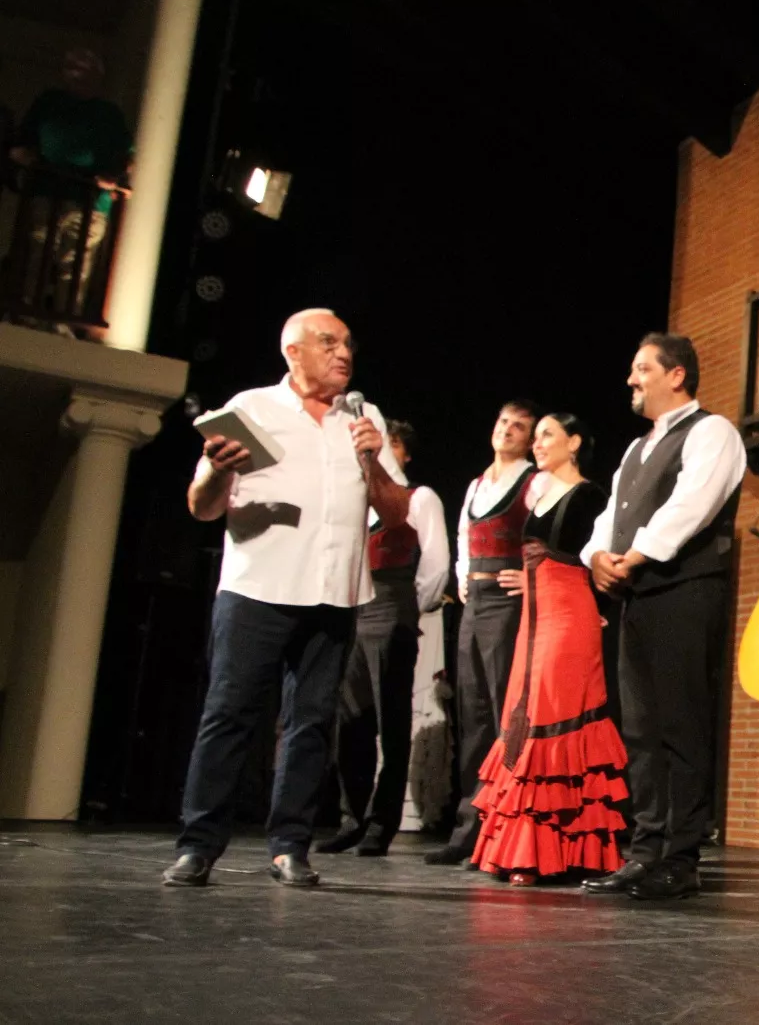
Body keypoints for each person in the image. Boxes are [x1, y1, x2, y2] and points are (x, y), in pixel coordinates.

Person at [164, 309, 408, 888]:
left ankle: (290, 846)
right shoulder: (251, 409)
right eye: (329, 343)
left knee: (311, 723)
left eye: (348, 344)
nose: (343, 354)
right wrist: (218, 475)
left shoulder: (363, 416)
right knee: (229, 716)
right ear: (293, 352)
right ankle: (198, 844)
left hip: (334, 591)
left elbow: (396, 514)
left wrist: (372, 460)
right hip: (259, 587)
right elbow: (201, 506)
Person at [579, 332, 745, 901]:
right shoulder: (635, 449)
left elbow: (693, 503)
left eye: (641, 368)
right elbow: (609, 518)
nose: (632, 379)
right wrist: (596, 556)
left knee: (682, 726)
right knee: (641, 731)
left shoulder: (712, 432)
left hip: (684, 591)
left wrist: (637, 553)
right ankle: (644, 850)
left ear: (676, 375)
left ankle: (681, 856)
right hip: (637, 595)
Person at [470, 413, 628, 884]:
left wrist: (596, 603)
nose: (537, 443)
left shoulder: (591, 495)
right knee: (523, 709)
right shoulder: (541, 495)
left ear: (574, 442)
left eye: (547, 435)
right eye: (535, 435)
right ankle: (522, 846)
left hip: (569, 616)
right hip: (533, 620)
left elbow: (594, 557)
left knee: (554, 712)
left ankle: (562, 847)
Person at [317, 420, 450, 857]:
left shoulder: (419, 497)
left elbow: (435, 564)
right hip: (351, 605)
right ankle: (351, 817)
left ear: (404, 454)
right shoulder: (358, 499)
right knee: (350, 720)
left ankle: (381, 823)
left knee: (391, 721)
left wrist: (410, 608)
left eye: (391, 444)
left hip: (392, 602)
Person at [425, 401, 539, 865]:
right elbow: (461, 538)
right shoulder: (476, 484)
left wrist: (533, 576)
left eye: (519, 427)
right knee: (471, 717)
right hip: (474, 603)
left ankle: (508, 827)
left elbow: (553, 534)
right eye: (503, 422)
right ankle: (469, 829)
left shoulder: (535, 482)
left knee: (505, 714)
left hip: (509, 606)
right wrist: (462, 577)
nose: (507, 431)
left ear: (530, 439)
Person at [10, 48, 132, 316]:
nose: (76, 72)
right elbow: (21, 144)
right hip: (47, 193)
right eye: (71, 66)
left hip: (89, 201)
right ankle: (28, 314)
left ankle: (64, 319)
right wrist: (25, 157)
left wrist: (112, 176)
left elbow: (126, 156)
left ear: (97, 75)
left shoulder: (108, 114)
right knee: (38, 257)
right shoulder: (49, 102)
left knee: (75, 264)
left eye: (83, 67)